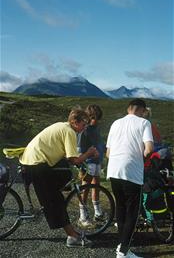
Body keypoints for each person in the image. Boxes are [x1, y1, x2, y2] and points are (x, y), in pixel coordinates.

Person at [19, 109, 98, 248]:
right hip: (37, 163)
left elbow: (66, 156)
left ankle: (49, 201)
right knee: (56, 201)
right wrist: (89, 153)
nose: (85, 127)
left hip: (33, 160)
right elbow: (74, 160)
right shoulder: (69, 132)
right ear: (75, 122)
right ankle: (72, 237)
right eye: (84, 124)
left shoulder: (64, 126)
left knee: (63, 176)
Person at [106, 99, 154, 258]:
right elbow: (149, 149)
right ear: (142, 110)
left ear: (128, 109)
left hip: (113, 169)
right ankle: (123, 251)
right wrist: (142, 158)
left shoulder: (115, 123)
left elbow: (108, 153)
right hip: (131, 171)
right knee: (132, 212)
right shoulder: (144, 123)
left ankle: (122, 247)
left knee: (120, 208)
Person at [77, 104, 105, 227]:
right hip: (87, 163)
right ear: (87, 117)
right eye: (92, 117)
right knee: (85, 187)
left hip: (97, 162)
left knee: (96, 185)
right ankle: (82, 215)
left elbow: (99, 143)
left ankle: (97, 212)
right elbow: (79, 149)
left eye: (97, 118)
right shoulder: (85, 130)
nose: (95, 120)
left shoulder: (96, 128)